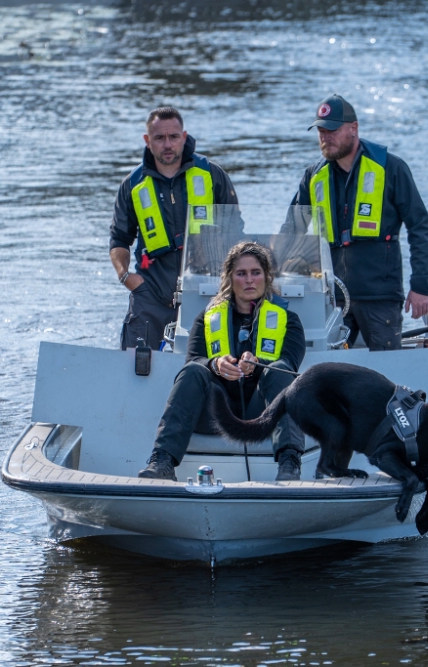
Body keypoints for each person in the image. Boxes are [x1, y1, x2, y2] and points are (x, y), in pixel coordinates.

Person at [138, 241, 306, 482]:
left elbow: (290, 362)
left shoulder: (290, 320)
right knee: (193, 370)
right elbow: (194, 358)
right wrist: (215, 364)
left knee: (281, 370)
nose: (249, 280)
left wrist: (257, 363)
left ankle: (290, 463)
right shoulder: (206, 319)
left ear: (267, 276)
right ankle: (162, 461)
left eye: (255, 272)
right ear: (230, 278)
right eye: (241, 273)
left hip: (264, 414)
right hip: (217, 413)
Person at [290, 94, 428, 351]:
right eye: (321, 131)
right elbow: (292, 230)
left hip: (379, 296)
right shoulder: (313, 176)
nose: (326, 137)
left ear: (353, 128)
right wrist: (276, 272)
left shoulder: (390, 168)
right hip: (332, 297)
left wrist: (420, 286)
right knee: (329, 369)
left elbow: (420, 227)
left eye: (332, 131)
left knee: (386, 368)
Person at [110, 107, 239, 350]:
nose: (167, 144)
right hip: (150, 294)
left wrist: (230, 284)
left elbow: (235, 231)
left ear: (184, 136)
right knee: (134, 364)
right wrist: (126, 277)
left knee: (215, 363)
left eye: (173, 137)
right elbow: (119, 240)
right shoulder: (133, 185)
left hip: (207, 292)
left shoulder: (212, 175)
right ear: (147, 140)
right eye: (159, 138)